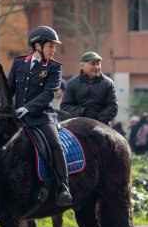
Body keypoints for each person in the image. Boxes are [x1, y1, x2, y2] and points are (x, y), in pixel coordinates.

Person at [7, 25, 72, 206]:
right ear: (38, 45)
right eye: (51, 45)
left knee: (55, 144)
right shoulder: (19, 63)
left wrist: (27, 108)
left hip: (42, 117)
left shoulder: (54, 67)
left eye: (54, 46)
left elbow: (49, 93)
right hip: (17, 117)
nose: (54, 50)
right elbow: (9, 88)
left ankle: (63, 186)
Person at [60, 51, 118, 125]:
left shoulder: (108, 84)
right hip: (76, 124)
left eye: (98, 64)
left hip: (101, 126)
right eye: (93, 64)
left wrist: (97, 119)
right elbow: (65, 106)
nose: (97, 67)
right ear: (83, 65)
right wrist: (83, 111)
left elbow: (113, 107)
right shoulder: (72, 83)